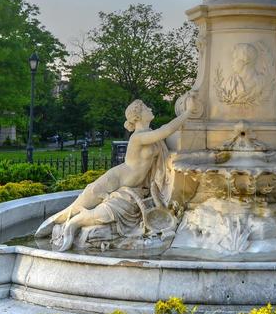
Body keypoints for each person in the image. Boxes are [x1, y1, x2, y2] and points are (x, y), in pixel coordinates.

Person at [36, 100, 185, 251]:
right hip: (115, 178)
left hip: (128, 184)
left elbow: (162, 137)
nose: (151, 108)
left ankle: (69, 223)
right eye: (146, 108)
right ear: (138, 116)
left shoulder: (149, 134)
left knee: (79, 207)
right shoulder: (137, 137)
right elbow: (166, 130)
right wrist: (188, 113)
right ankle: (53, 225)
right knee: (75, 207)